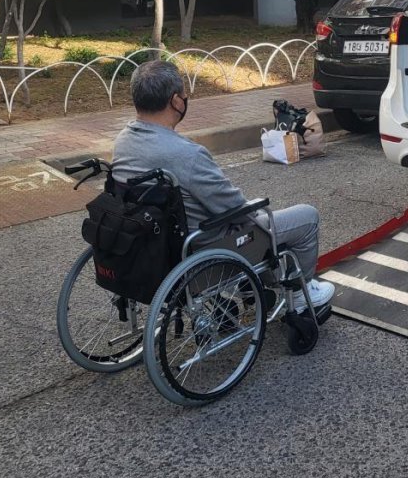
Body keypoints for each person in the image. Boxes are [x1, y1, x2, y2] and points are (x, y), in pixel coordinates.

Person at [112, 60, 334, 311]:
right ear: (175, 101)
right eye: (184, 94)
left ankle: (260, 283)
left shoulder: (122, 142)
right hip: (205, 249)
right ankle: (299, 295)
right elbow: (234, 207)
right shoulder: (186, 154)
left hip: (152, 248)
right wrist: (257, 212)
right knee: (306, 217)